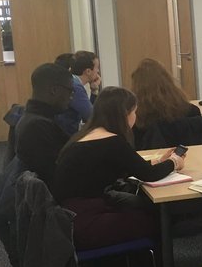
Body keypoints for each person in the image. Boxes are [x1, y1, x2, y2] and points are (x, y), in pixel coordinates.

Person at [54, 87, 184, 255]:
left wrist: (159, 161)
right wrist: (175, 162)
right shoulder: (112, 141)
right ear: (124, 114)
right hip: (85, 221)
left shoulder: (86, 135)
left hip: (68, 216)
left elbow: (123, 166)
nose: (135, 117)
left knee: (144, 206)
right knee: (156, 220)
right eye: (134, 112)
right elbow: (148, 175)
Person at [14, 63, 76, 194]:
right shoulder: (37, 127)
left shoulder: (33, 118)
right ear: (54, 90)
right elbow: (58, 176)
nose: (71, 97)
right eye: (70, 91)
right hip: (55, 203)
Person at [130, 58, 202, 146]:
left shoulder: (135, 116)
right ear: (168, 81)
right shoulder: (190, 110)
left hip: (150, 157)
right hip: (189, 156)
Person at [56, 50, 100, 135]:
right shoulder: (75, 86)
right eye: (96, 67)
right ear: (88, 71)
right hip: (65, 136)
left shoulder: (72, 81)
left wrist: (94, 91)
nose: (98, 71)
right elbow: (92, 117)